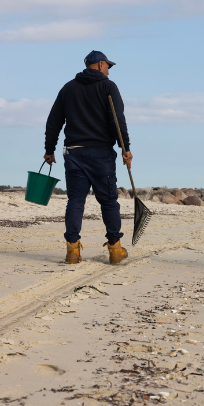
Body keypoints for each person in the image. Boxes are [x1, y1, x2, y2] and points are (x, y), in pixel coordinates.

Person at [44, 50, 133, 265]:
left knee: (75, 201)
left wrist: (49, 150)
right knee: (109, 202)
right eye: (108, 67)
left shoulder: (68, 88)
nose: (109, 71)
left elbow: (54, 121)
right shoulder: (108, 87)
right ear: (101, 64)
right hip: (101, 153)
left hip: (73, 152)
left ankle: (72, 251)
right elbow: (117, 121)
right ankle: (115, 249)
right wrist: (125, 148)